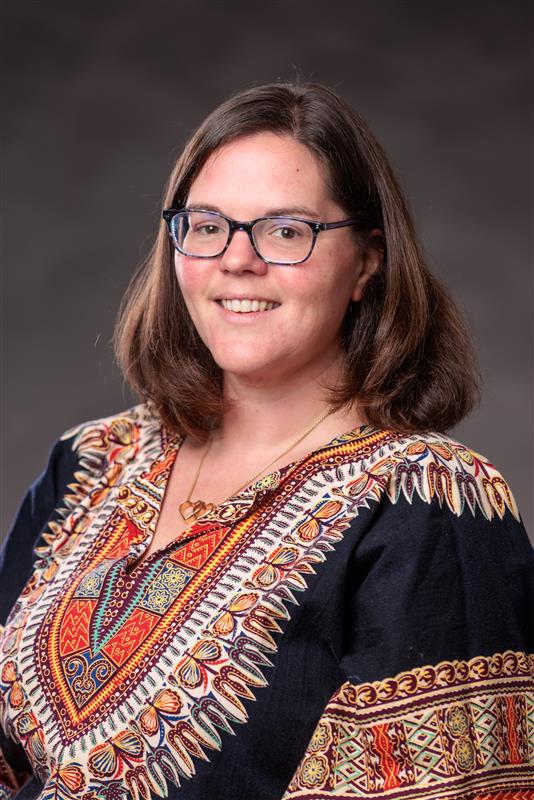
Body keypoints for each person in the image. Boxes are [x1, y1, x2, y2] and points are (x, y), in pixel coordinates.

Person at [1, 81, 532, 800]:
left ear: (367, 264)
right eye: (207, 224)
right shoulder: (91, 462)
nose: (236, 260)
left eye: (286, 230)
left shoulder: (428, 506)